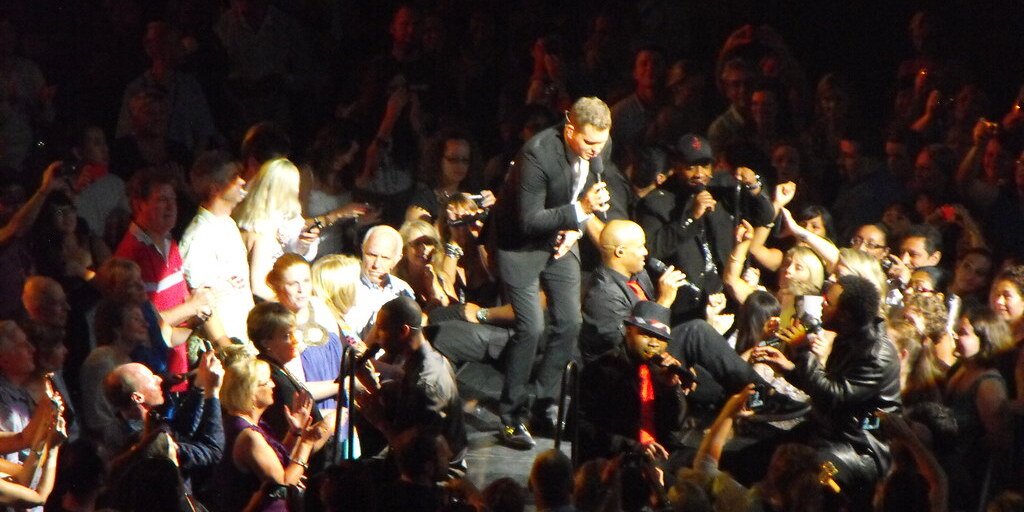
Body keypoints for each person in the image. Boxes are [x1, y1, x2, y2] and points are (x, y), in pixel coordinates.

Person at [490, 97, 618, 448]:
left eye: (601, 143)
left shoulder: (598, 146)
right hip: (521, 245)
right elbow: (528, 220)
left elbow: (583, 193)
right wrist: (580, 211)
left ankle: (543, 403)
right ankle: (511, 415)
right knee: (531, 328)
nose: (596, 150)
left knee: (570, 323)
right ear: (569, 128)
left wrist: (576, 227)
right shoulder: (537, 155)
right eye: (589, 142)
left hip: (562, 235)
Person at [752, 275, 902, 504]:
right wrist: (790, 368)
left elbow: (835, 396)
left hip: (858, 446)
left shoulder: (876, 354)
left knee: (799, 479)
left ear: (845, 315)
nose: (821, 303)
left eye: (828, 302)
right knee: (752, 456)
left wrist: (803, 353)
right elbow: (825, 387)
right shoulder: (851, 336)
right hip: (829, 430)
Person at [637, 133, 774, 320]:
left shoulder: (723, 188)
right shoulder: (656, 202)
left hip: (730, 299)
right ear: (676, 166)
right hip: (689, 309)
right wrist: (691, 217)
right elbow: (652, 249)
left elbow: (765, 216)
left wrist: (754, 186)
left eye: (705, 165)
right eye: (691, 167)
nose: (700, 174)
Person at [114, 170, 214, 393]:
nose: (171, 207)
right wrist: (192, 307)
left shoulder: (170, 241)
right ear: (139, 205)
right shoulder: (130, 255)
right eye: (162, 200)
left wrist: (198, 309)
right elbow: (145, 322)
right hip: (154, 376)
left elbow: (181, 298)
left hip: (179, 365)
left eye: (173, 199)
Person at [355, 296, 467, 476]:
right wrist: (373, 386)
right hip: (416, 463)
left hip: (435, 476)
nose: (376, 336)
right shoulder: (421, 359)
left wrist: (379, 421)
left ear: (403, 331)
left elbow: (417, 455)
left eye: (381, 329)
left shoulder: (427, 382)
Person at [216, 350, 329, 512]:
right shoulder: (248, 436)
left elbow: (274, 462)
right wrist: (306, 444)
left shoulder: (250, 424)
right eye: (266, 382)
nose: (273, 385)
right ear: (252, 392)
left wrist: (294, 432)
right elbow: (282, 483)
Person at [577, 301, 688, 463]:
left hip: (659, 450)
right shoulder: (602, 369)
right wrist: (631, 446)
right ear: (628, 331)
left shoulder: (661, 371)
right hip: (618, 457)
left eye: (660, 338)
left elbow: (676, 424)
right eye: (646, 334)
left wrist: (671, 387)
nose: (654, 343)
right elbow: (582, 427)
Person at [102, 354, 224, 492]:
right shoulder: (146, 439)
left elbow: (179, 431)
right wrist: (212, 392)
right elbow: (213, 451)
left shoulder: (132, 425)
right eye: (152, 378)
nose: (160, 379)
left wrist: (199, 384)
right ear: (137, 397)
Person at [580, 219, 686, 362]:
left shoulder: (639, 275)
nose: (646, 252)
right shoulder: (603, 294)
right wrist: (663, 303)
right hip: (621, 369)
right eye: (640, 246)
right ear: (620, 252)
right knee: (695, 332)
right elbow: (632, 349)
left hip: (652, 353)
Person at [179, 150, 254, 344]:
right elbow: (202, 301)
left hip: (244, 336)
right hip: (225, 346)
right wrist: (226, 347)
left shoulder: (227, 223)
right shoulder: (199, 236)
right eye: (233, 177)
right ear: (215, 189)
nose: (242, 182)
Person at [233, 158, 320, 301]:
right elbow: (259, 286)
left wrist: (304, 243)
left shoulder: (243, 217)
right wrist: (288, 306)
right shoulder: (262, 232)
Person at [266, 253, 343, 414]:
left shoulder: (320, 306)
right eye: (293, 284)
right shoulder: (278, 327)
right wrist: (344, 385)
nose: (302, 290)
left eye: (306, 281)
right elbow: (297, 388)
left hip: (342, 410)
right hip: (312, 415)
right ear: (279, 286)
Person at [247, 302, 326, 441]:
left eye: (294, 333)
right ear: (266, 342)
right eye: (287, 336)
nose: (295, 340)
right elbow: (289, 434)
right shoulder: (271, 378)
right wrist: (329, 425)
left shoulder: (278, 368)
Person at [345, 225, 414, 338]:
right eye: (372, 255)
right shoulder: (345, 284)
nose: (376, 265)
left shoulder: (403, 290)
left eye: (385, 258)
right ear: (362, 249)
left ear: (397, 259)